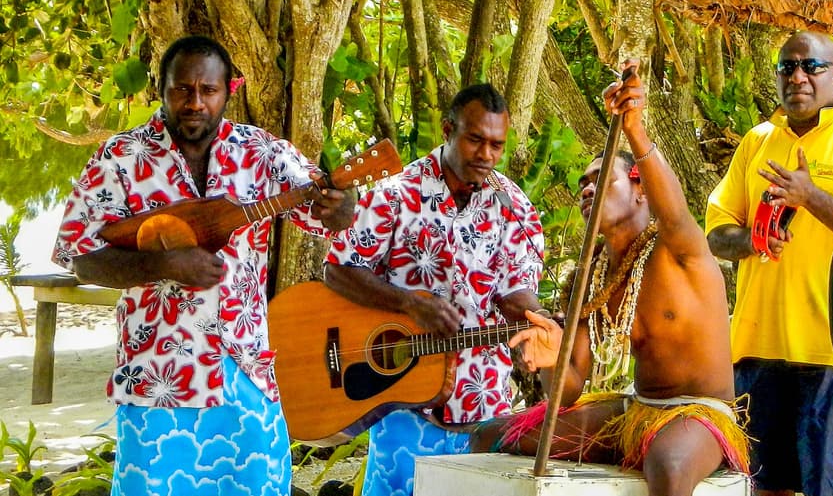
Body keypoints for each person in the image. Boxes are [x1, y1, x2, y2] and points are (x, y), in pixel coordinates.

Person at [53, 34, 355, 496]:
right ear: (161, 88)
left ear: (227, 91)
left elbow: (322, 210)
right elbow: (82, 259)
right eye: (182, 89)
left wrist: (341, 206)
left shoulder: (262, 153)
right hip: (156, 375)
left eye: (208, 90)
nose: (195, 102)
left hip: (245, 370)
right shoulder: (119, 158)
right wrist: (165, 264)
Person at [477, 61, 749, 496]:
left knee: (669, 464)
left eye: (603, 178)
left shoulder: (678, 248)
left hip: (699, 414)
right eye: (583, 184)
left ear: (640, 189)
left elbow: (674, 210)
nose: (588, 189)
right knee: (492, 435)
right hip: (633, 410)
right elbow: (567, 391)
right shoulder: (589, 279)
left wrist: (634, 130)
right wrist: (552, 359)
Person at [324, 83, 546, 496]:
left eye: (496, 145)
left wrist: (541, 319)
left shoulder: (513, 206)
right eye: (475, 139)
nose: (486, 154)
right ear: (447, 130)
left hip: (483, 403)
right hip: (403, 400)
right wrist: (408, 303)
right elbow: (338, 269)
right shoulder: (396, 193)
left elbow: (517, 292)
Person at [704, 30, 833, 496]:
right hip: (757, 346)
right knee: (761, 487)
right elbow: (716, 234)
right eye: (787, 67)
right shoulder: (757, 141)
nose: (798, 77)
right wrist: (755, 239)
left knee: (826, 488)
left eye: (812, 66)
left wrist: (810, 196)